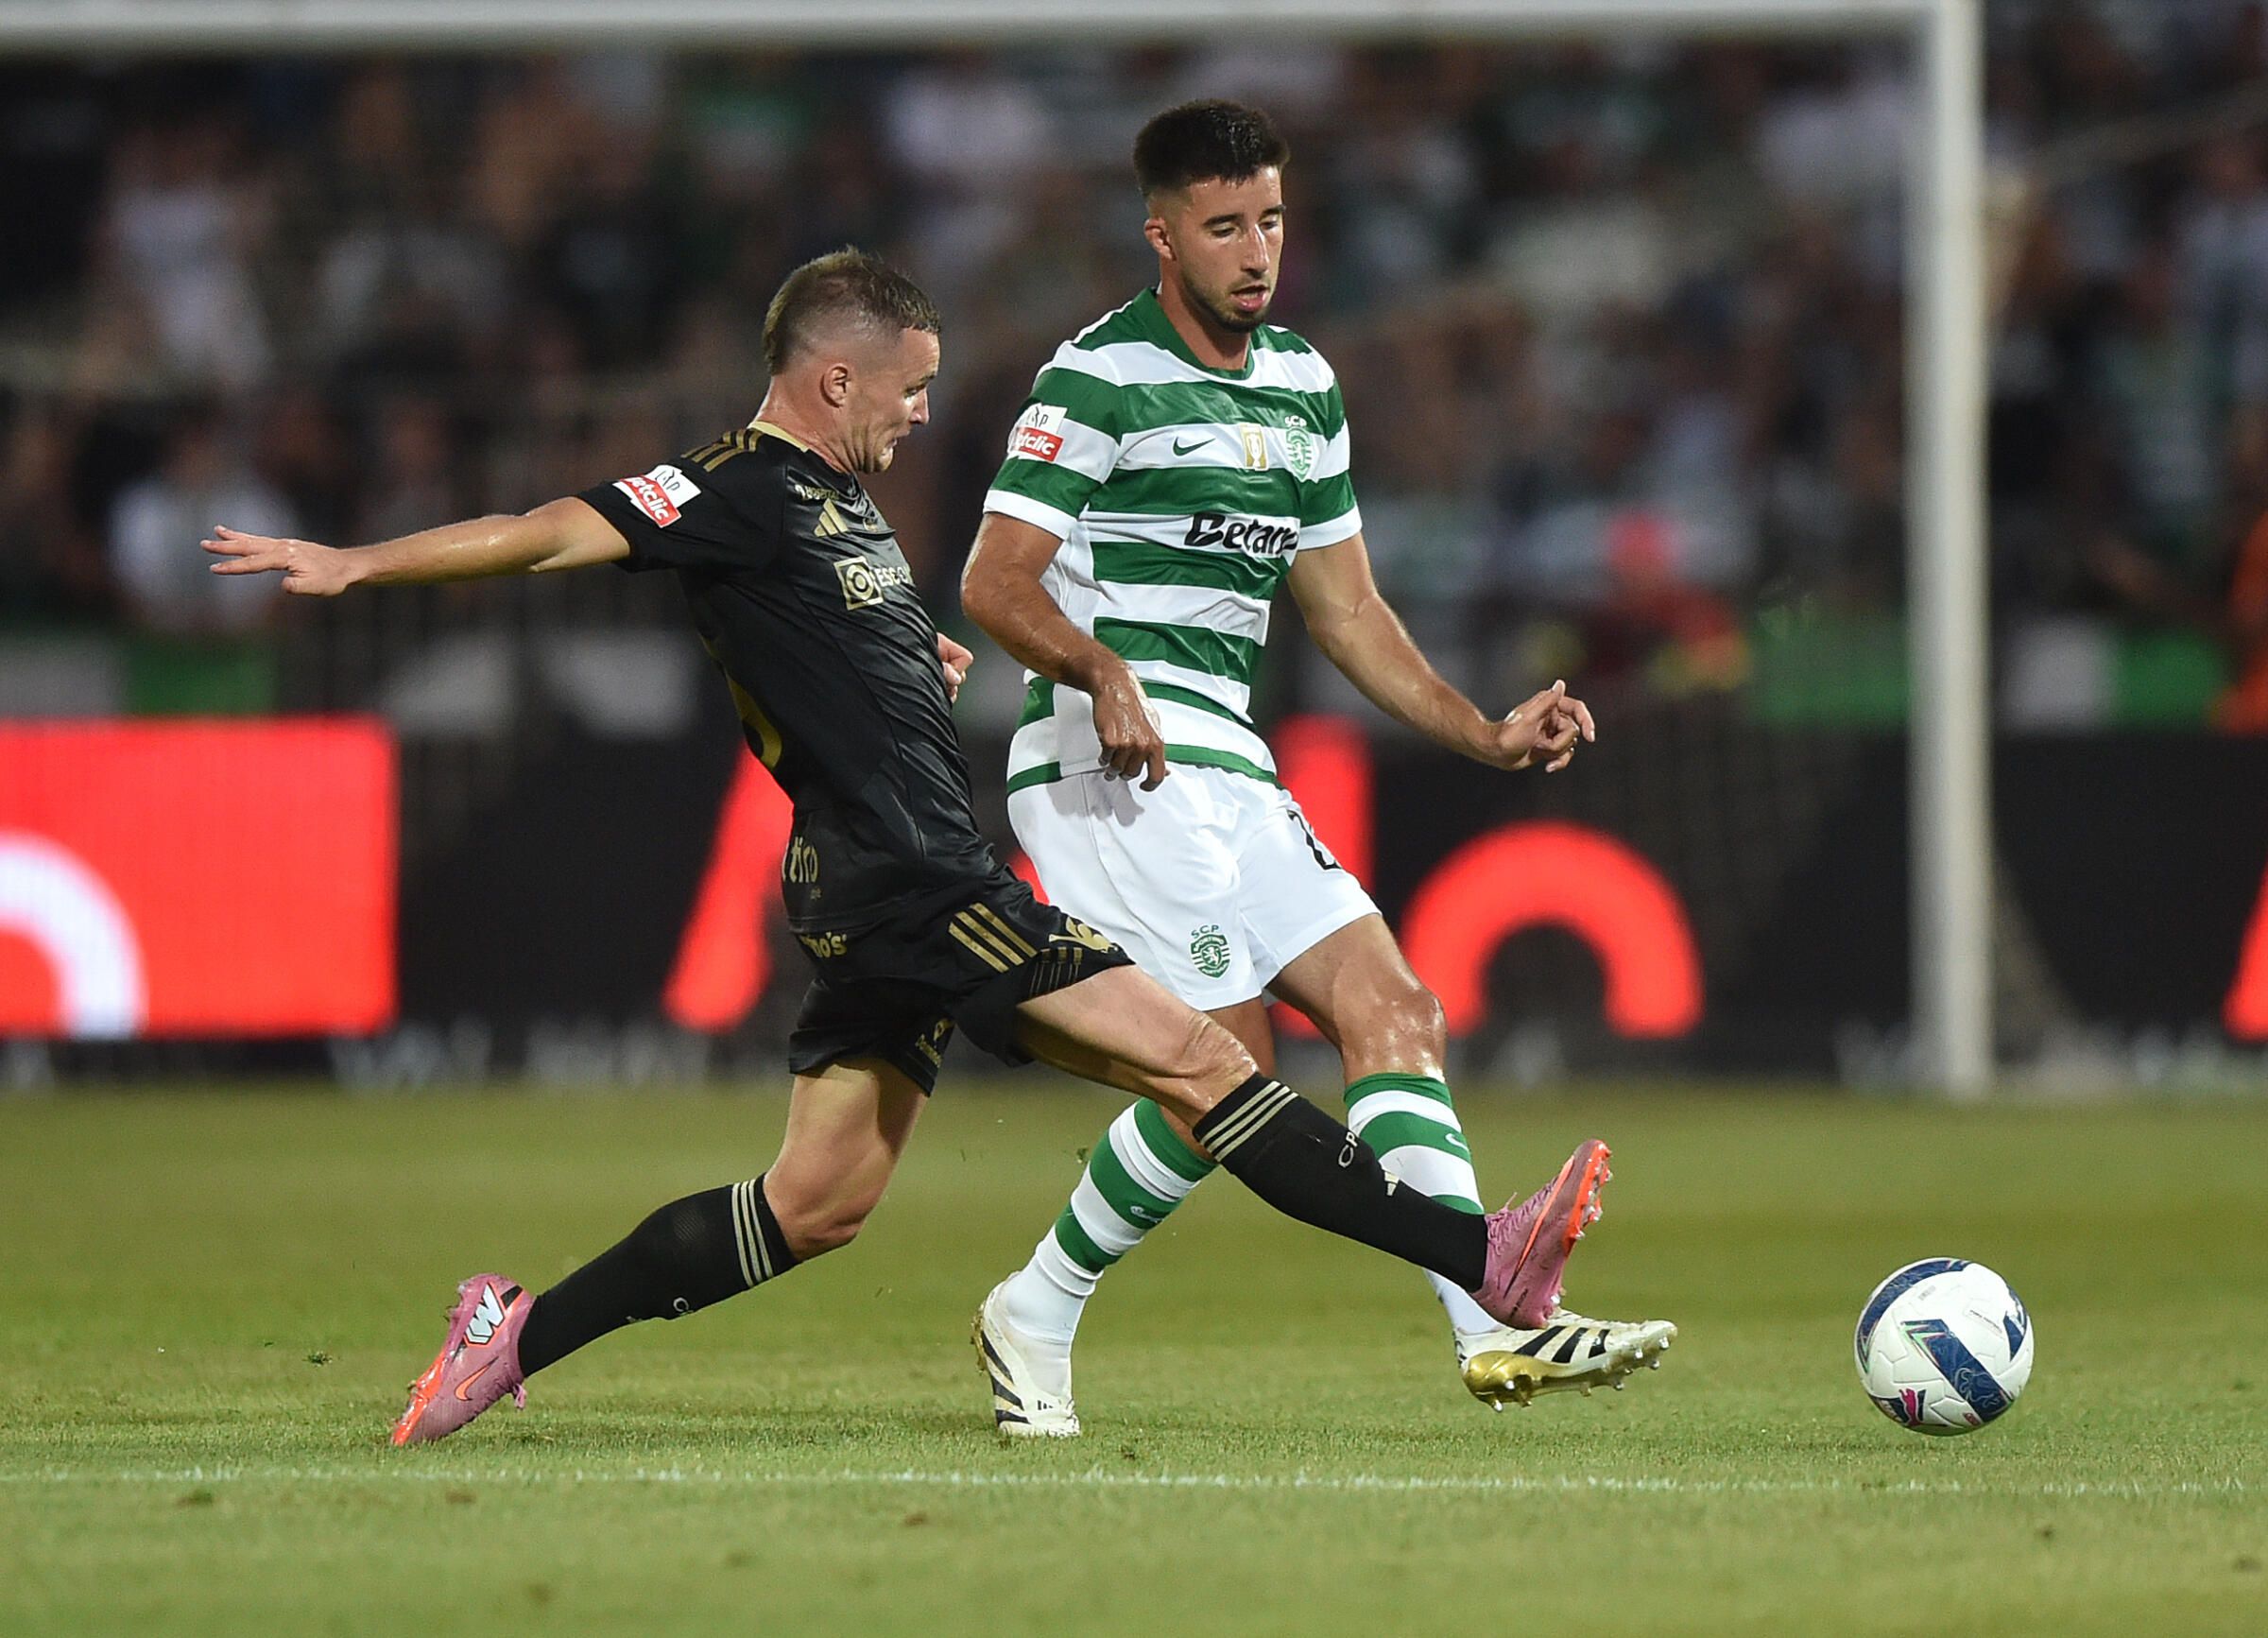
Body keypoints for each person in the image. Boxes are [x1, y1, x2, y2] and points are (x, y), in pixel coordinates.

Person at [203, 248, 1609, 1447]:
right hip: (920, 881)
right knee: (1202, 1057)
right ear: (835, 382)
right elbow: (541, 533)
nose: (925, 409)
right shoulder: (739, 489)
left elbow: (825, 642)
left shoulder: (840, 506)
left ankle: (510, 1334)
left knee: (813, 1204)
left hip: (872, 885)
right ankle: (1475, 1254)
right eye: (911, 385)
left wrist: (902, 657)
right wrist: (354, 563)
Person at [962, 103, 1674, 1436]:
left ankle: (1494, 1327)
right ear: (1161, 232)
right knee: (1222, 1059)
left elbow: (1346, 611)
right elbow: (993, 581)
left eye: (1272, 221)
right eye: (1224, 225)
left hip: (1227, 758)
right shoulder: (1093, 377)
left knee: (1394, 1006)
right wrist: (1099, 667)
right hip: (1105, 757)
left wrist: (1480, 728)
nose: (1255, 251)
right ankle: (1038, 1306)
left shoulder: (1302, 385)